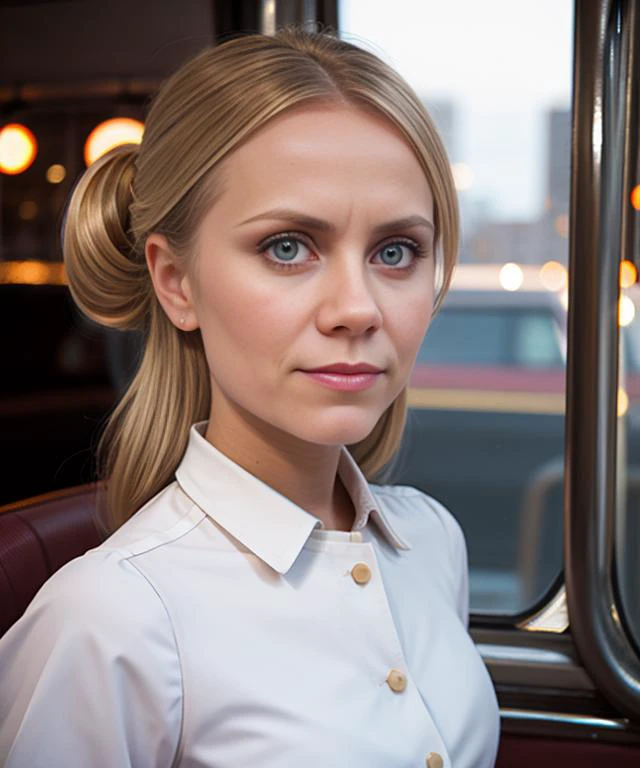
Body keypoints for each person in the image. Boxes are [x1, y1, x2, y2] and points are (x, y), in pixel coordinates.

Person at [0, 27, 500, 768]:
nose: (357, 309)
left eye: (396, 252)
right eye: (288, 247)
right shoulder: (113, 620)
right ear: (176, 282)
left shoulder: (433, 542)